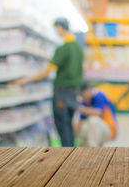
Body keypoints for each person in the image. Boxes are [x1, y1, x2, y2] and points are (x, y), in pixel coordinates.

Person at [14, 17, 83, 147]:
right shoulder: (78, 48)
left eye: (56, 28)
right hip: (74, 92)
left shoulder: (63, 48)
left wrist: (27, 79)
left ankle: (66, 157)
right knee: (69, 124)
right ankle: (71, 154)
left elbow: (48, 71)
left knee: (63, 126)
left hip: (61, 93)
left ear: (60, 28)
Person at [74, 82, 117, 147]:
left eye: (83, 94)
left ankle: (93, 150)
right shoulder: (85, 102)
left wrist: (82, 109)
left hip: (109, 130)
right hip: (94, 130)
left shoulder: (99, 95)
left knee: (93, 120)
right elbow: (81, 121)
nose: (82, 97)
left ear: (88, 90)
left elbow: (98, 112)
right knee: (77, 124)